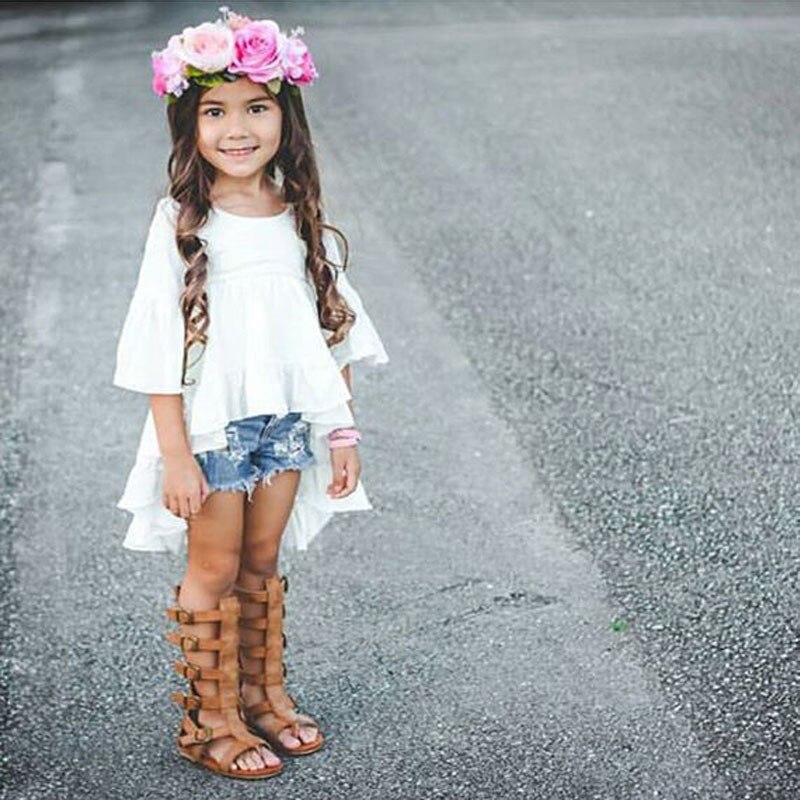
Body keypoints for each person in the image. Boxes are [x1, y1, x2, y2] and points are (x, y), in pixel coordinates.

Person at [111, 6, 389, 780]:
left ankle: (264, 697)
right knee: (215, 563)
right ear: (190, 125)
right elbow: (154, 348)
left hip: (289, 423)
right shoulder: (179, 222)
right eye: (217, 111)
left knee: (262, 561)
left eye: (257, 108)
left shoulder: (297, 217)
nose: (239, 128)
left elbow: (330, 334)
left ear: (284, 118)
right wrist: (175, 456)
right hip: (211, 432)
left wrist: (343, 433)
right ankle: (211, 720)